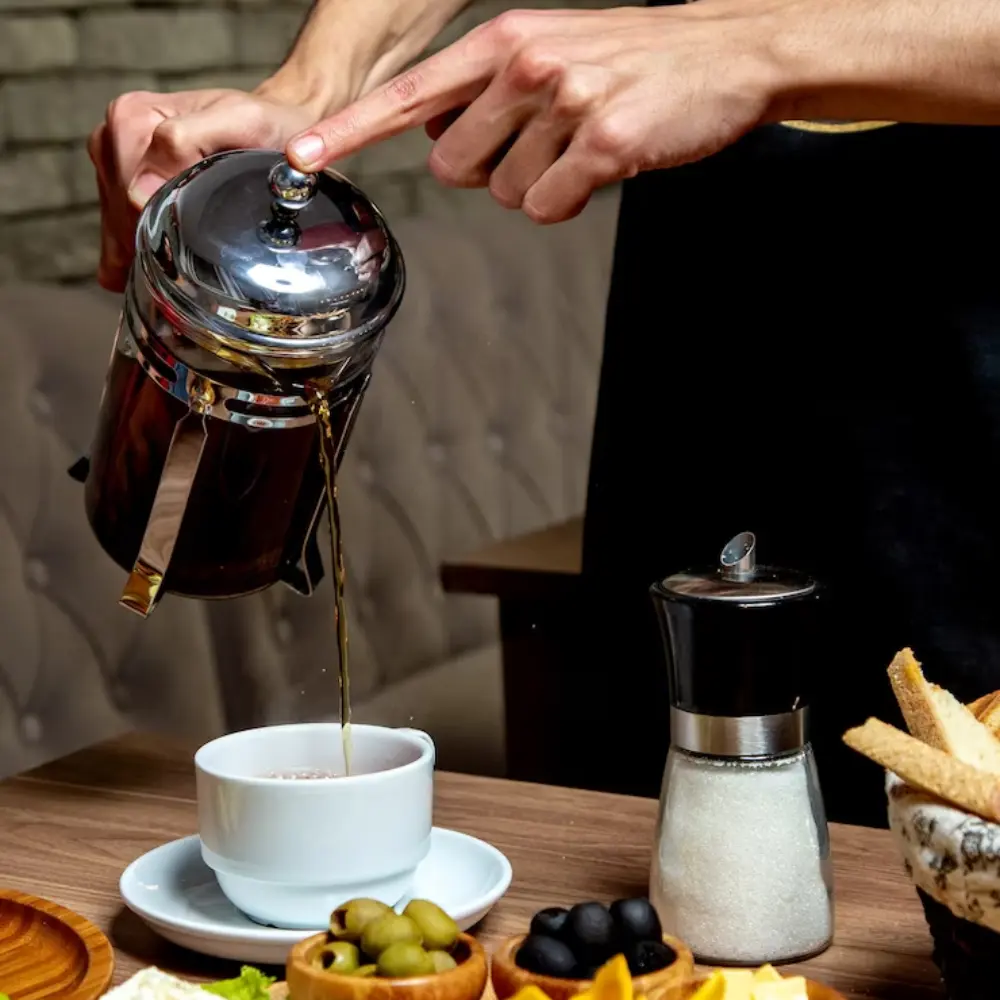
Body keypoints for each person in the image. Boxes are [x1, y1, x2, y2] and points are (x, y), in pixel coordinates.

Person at [92, 0, 1000, 826]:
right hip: (705, 323)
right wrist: (313, 87)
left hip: (962, 366)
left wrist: (750, 42)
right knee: (663, 843)